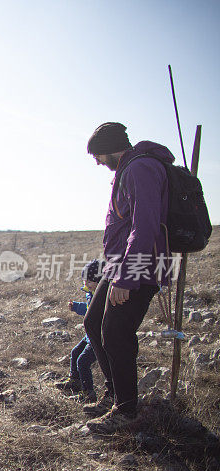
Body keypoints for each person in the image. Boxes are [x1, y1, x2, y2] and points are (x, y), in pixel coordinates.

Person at [83, 122, 171, 435]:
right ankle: (113, 394)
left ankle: (126, 409)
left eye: (98, 154)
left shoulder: (140, 169)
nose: (97, 161)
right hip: (119, 264)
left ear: (111, 148)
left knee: (116, 334)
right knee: (93, 324)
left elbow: (144, 226)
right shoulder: (128, 169)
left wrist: (125, 278)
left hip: (137, 268)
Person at [55, 259, 105, 403]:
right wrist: (76, 307)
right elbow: (89, 310)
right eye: (84, 281)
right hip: (90, 334)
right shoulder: (91, 294)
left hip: (98, 337)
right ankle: (75, 381)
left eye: (89, 282)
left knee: (83, 361)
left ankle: (88, 392)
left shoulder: (103, 297)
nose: (86, 285)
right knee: (75, 353)